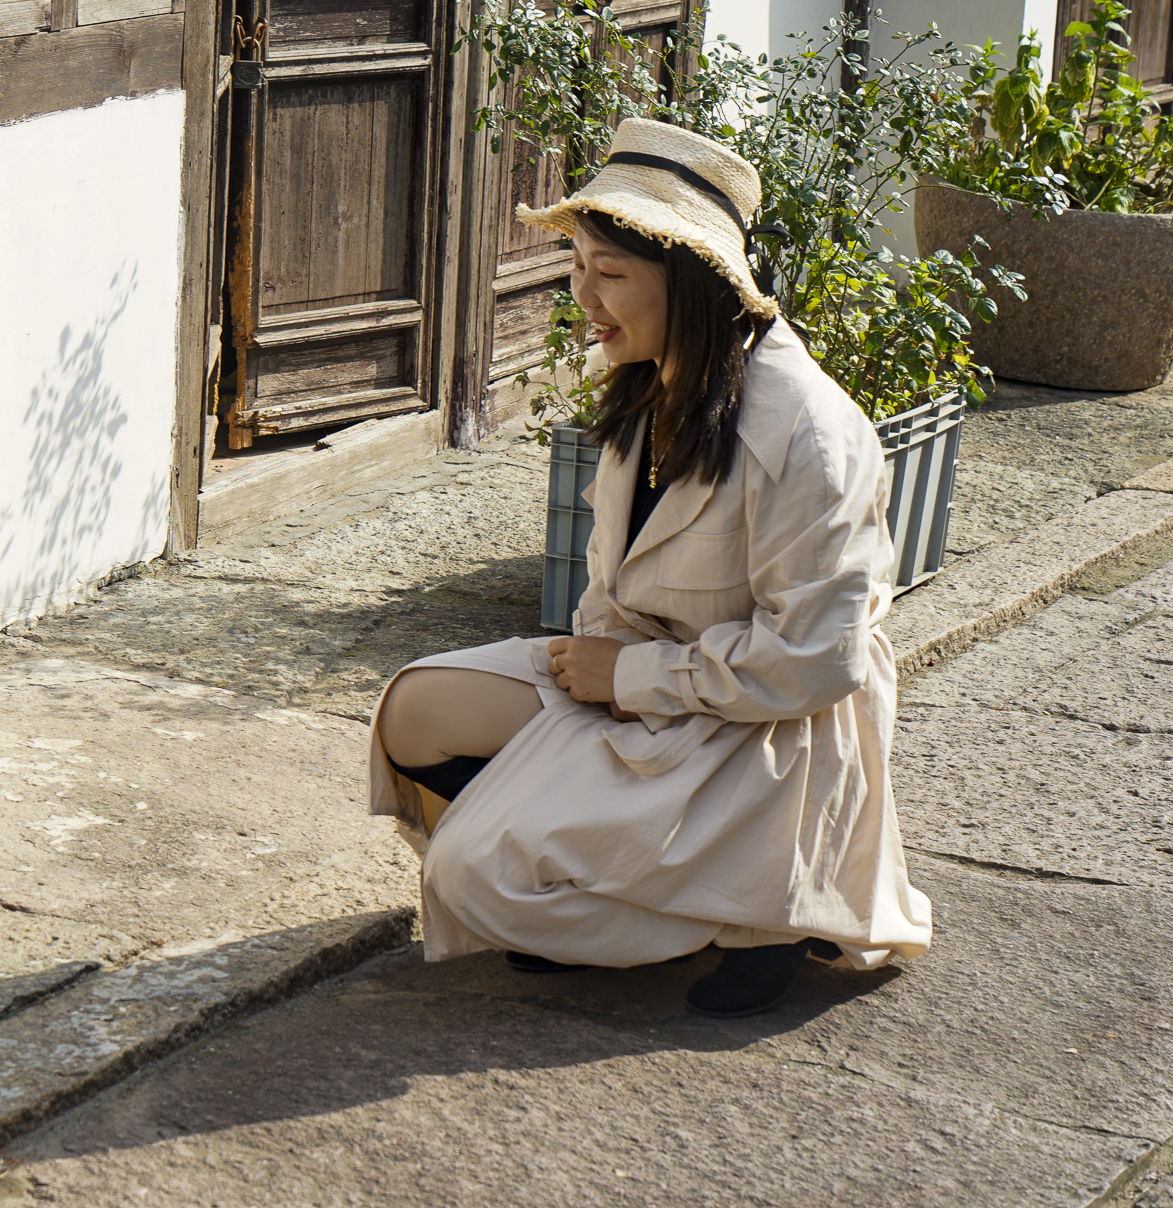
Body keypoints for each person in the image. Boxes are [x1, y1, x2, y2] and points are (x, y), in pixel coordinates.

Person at [366, 118, 932, 1017]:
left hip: (762, 726)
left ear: (697, 284)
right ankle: (601, 874)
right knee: (411, 712)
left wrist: (633, 677)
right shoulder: (650, 384)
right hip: (641, 690)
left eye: (612, 274)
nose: (583, 295)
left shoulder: (812, 434)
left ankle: (756, 912)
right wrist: (602, 680)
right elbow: (611, 589)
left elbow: (819, 661)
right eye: (579, 264)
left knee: (470, 868)